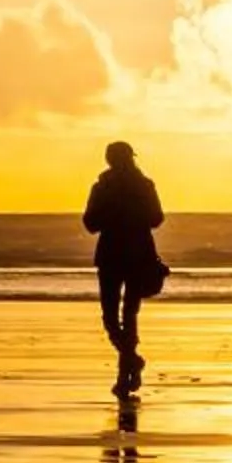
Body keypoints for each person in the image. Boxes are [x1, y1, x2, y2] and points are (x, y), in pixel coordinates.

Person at [82, 141, 166, 394]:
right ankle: (131, 362)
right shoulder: (142, 185)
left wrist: (113, 214)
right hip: (136, 254)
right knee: (127, 316)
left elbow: (90, 223)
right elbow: (156, 219)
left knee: (114, 316)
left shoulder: (104, 187)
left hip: (115, 256)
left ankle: (126, 373)